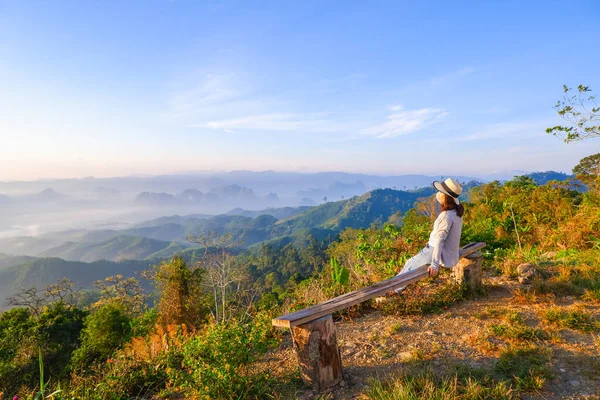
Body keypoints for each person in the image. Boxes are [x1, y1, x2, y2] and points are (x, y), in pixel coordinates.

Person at [393, 178, 464, 294]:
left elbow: (439, 240)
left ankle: (392, 290)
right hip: (450, 253)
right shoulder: (457, 213)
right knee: (410, 263)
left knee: (409, 265)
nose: (438, 195)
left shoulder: (446, 216)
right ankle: (394, 289)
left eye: (441, 193)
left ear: (446, 197)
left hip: (434, 251)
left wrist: (434, 265)